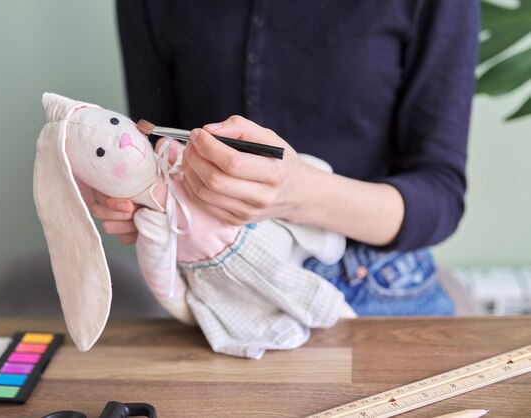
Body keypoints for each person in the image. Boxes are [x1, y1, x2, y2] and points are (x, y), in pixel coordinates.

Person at [88, 0, 479, 316]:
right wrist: (145, 202)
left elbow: (440, 197)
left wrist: (301, 193)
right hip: (220, 284)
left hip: (376, 289)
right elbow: (155, 140)